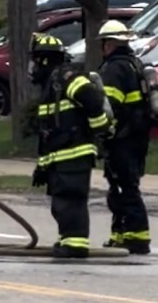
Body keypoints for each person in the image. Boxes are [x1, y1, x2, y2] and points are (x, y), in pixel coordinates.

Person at [28, 33, 110, 258]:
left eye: (35, 61)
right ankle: (68, 239)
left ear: (45, 60)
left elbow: (92, 102)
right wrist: (42, 166)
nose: (32, 67)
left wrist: (99, 130)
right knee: (61, 202)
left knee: (70, 200)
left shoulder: (68, 77)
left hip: (74, 153)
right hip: (60, 156)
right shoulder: (51, 86)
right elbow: (48, 134)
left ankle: (75, 245)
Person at [96, 20, 151, 254]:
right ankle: (121, 234)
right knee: (122, 187)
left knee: (125, 188)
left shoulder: (113, 69)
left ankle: (137, 237)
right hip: (138, 137)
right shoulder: (135, 64)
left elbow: (109, 107)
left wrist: (102, 133)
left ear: (109, 44)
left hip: (122, 138)